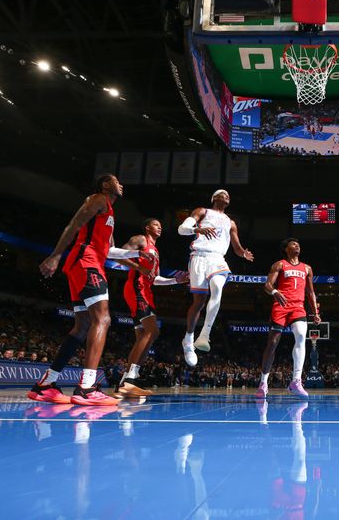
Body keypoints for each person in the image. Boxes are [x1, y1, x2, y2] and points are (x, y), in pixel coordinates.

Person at [32, 174, 152, 406]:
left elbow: (110, 251)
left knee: (83, 326)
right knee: (103, 319)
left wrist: (137, 255)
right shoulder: (98, 199)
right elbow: (74, 224)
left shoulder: (108, 213)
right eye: (117, 180)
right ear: (106, 185)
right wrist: (55, 255)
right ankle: (86, 387)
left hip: (85, 265)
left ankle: (46, 384)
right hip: (86, 263)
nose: (121, 184)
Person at [177, 189, 254, 366]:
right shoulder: (202, 211)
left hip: (218, 259)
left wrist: (243, 254)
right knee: (198, 303)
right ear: (214, 198)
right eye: (222, 193)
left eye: (228, 194)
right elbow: (182, 230)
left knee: (218, 288)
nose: (226, 195)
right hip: (198, 257)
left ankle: (205, 334)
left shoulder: (230, 222)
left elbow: (236, 247)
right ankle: (188, 341)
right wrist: (198, 229)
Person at [116, 218, 189, 398]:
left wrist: (175, 281)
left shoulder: (155, 251)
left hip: (146, 290)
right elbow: (118, 254)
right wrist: (137, 266)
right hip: (136, 287)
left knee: (143, 335)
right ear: (147, 227)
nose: (160, 227)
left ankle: (125, 382)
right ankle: (130, 380)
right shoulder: (141, 240)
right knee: (153, 330)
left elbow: (154, 279)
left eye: (161, 225)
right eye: (156, 224)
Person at [255, 238, 321, 399]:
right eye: (293, 244)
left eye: (298, 244)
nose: (297, 245)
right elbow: (267, 285)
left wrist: (315, 312)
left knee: (300, 336)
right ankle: (263, 383)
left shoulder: (307, 268)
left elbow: (310, 292)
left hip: (298, 308)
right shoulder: (279, 265)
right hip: (281, 306)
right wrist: (275, 292)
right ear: (286, 249)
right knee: (272, 344)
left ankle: (296, 381)